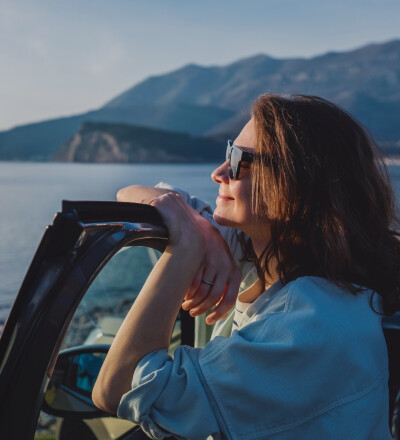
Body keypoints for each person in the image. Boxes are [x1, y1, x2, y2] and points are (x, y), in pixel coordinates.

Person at [92, 94, 400, 439]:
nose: (218, 172)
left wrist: (184, 249)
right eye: (228, 152)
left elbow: (115, 388)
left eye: (239, 160)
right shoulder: (260, 244)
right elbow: (129, 193)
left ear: (297, 185)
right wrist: (203, 230)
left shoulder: (311, 328)